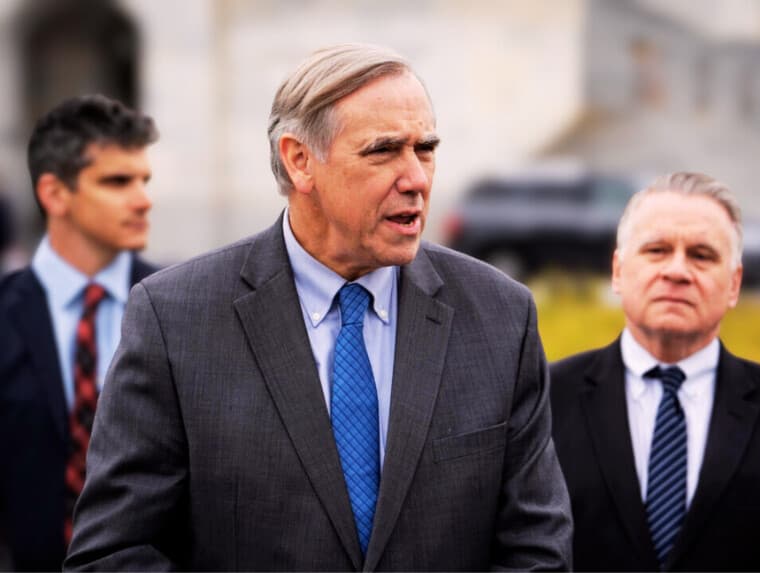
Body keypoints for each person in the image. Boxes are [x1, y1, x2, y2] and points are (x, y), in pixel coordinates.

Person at [65, 43, 572, 571]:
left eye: (425, 148)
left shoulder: (500, 316)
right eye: (383, 151)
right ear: (300, 160)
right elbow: (113, 553)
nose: (417, 178)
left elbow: (537, 547)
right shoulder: (174, 319)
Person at [550, 171, 760, 571]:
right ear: (617, 271)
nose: (677, 271)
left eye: (701, 255)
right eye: (657, 250)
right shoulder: (541, 405)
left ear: (734, 283)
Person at [0, 94, 159, 571]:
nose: (143, 198)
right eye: (117, 181)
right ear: (54, 194)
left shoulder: (185, 306)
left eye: (144, 180)